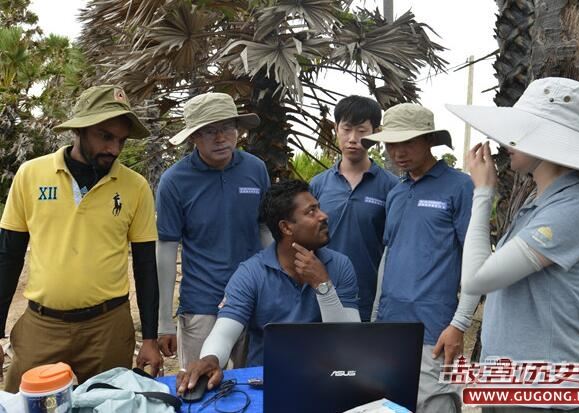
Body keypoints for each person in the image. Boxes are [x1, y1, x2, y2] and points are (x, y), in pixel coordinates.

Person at [448, 77, 579, 413]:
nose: (507, 142)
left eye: (523, 131)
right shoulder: (540, 202)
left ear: (551, 140)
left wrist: (484, 192)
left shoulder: (577, 208)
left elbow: (478, 278)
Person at [0, 85, 162, 392]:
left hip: (108, 328)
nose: (114, 149)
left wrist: (150, 339)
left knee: (107, 403)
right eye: (105, 136)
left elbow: (145, 265)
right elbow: (8, 256)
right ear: (80, 130)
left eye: (121, 140)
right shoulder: (31, 175)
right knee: (27, 402)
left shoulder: (135, 186)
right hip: (42, 326)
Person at [176, 179, 360, 393]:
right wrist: (210, 358)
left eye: (318, 208)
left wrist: (323, 285)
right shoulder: (251, 273)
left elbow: (348, 341)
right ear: (286, 227)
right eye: (311, 211)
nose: (323, 215)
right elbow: (225, 332)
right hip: (265, 383)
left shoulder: (340, 266)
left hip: (327, 380)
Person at [362, 104, 479, 413]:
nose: (398, 152)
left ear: (429, 140)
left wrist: (459, 325)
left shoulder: (461, 186)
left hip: (435, 329)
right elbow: (388, 256)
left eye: (408, 142)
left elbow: (475, 260)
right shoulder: (396, 192)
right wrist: (376, 321)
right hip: (390, 328)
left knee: (435, 405)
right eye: (392, 143)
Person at [156, 92, 271, 370]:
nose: (220, 138)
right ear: (194, 137)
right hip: (201, 304)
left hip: (253, 298)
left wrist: (275, 288)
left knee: (255, 384)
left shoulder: (256, 169)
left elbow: (266, 231)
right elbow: (167, 248)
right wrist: (164, 320)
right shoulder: (174, 181)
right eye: (209, 131)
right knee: (199, 388)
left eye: (227, 128)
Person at [310, 96, 398, 321]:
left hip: (369, 297)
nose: (353, 139)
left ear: (376, 133)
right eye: (346, 129)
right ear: (336, 129)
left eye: (362, 131)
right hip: (319, 291)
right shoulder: (318, 185)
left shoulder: (391, 187)